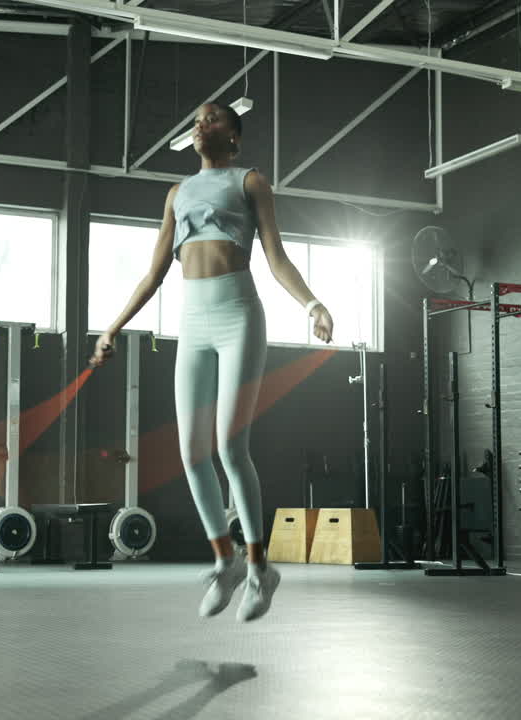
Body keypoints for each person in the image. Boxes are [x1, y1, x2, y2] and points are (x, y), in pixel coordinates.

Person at [90, 102, 334, 622]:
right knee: (191, 453)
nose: (202, 124)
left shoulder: (250, 182)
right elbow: (153, 273)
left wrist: (312, 304)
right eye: (198, 119)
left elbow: (276, 256)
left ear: (234, 137)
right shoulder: (176, 193)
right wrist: (113, 326)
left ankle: (260, 568)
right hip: (194, 323)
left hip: (238, 314)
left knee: (229, 446)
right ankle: (225, 561)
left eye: (214, 118)